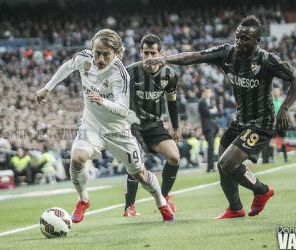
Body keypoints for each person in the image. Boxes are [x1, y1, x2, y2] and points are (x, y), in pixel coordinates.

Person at [145, 15, 296, 219]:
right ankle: (235, 208)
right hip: (240, 120)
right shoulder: (227, 53)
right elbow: (194, 57)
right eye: (238, 36)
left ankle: (262, 191)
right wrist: (165, 59)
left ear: (257, 42)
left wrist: (284, 108)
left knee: (228, 163)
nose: (239, 41)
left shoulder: (266, 60)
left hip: (261, 123)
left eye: (245, 38)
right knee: (222, 163)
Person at [36, 29, 175, 222]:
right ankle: (83, 199)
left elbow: (122, 108)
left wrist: (103, 101)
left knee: (140, 174)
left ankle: (161, 202)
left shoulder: (120, 74)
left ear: (116, 53)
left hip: (118, 130)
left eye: (105, 54)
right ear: (91, 49)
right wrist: (47, 88)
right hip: (92, 125)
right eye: (97, 53)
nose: (100, 59)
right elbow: (67, 67)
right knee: (77, 158)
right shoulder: (84, 59)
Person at [123, 35, 180, 217]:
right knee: (136, 161)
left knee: (174, 157)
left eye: (152, 53)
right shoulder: (129, 72)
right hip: (133, 124)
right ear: (140, 52)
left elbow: (172, 102)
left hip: (155, 124)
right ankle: (129, 207)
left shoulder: (169, 74)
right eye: (145, 53)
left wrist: (176, 128)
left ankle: (164, 196)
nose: (148, 57)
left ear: (160, 53)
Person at [198, 87, 219, 172]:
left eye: (209, 91)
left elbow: (214, 112)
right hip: (207, 127)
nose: (208, 93)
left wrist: (212, 111)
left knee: (212, 146)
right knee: (210, 145)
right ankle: (210, 166)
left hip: (212, 126)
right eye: (207, 91)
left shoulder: (210, 102)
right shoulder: (202, 102)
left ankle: (211, 166)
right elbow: (207, 112)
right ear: (203, 92)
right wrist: (213, 111)